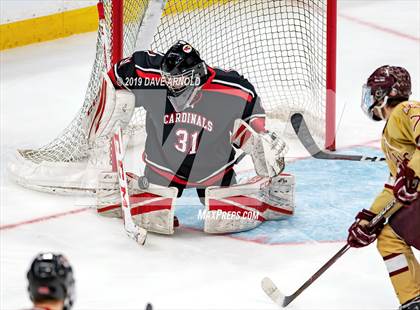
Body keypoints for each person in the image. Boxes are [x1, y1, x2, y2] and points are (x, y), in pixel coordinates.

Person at [94, 40, 295, 234]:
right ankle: (128, 191)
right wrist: (113, 101)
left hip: (212, 169)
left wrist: (261, 132)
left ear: (197, 75)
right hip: (163, 167)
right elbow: (118, 74)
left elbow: (251, 101)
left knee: (226, 215)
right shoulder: (151, 76)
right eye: (169, 79)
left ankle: (267, 196)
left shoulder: (230, 87)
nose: (173, 86)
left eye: (179, 80)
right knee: (153, 213)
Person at [347, 65, 419, 310]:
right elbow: (395, 185)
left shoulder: (406, 110)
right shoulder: (389, 136)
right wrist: (371, 218)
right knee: (388, 236)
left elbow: (408, 178)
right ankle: (414, 301)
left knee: (391, 238)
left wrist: (413, 174)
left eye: (372, 92)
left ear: (382, 94)